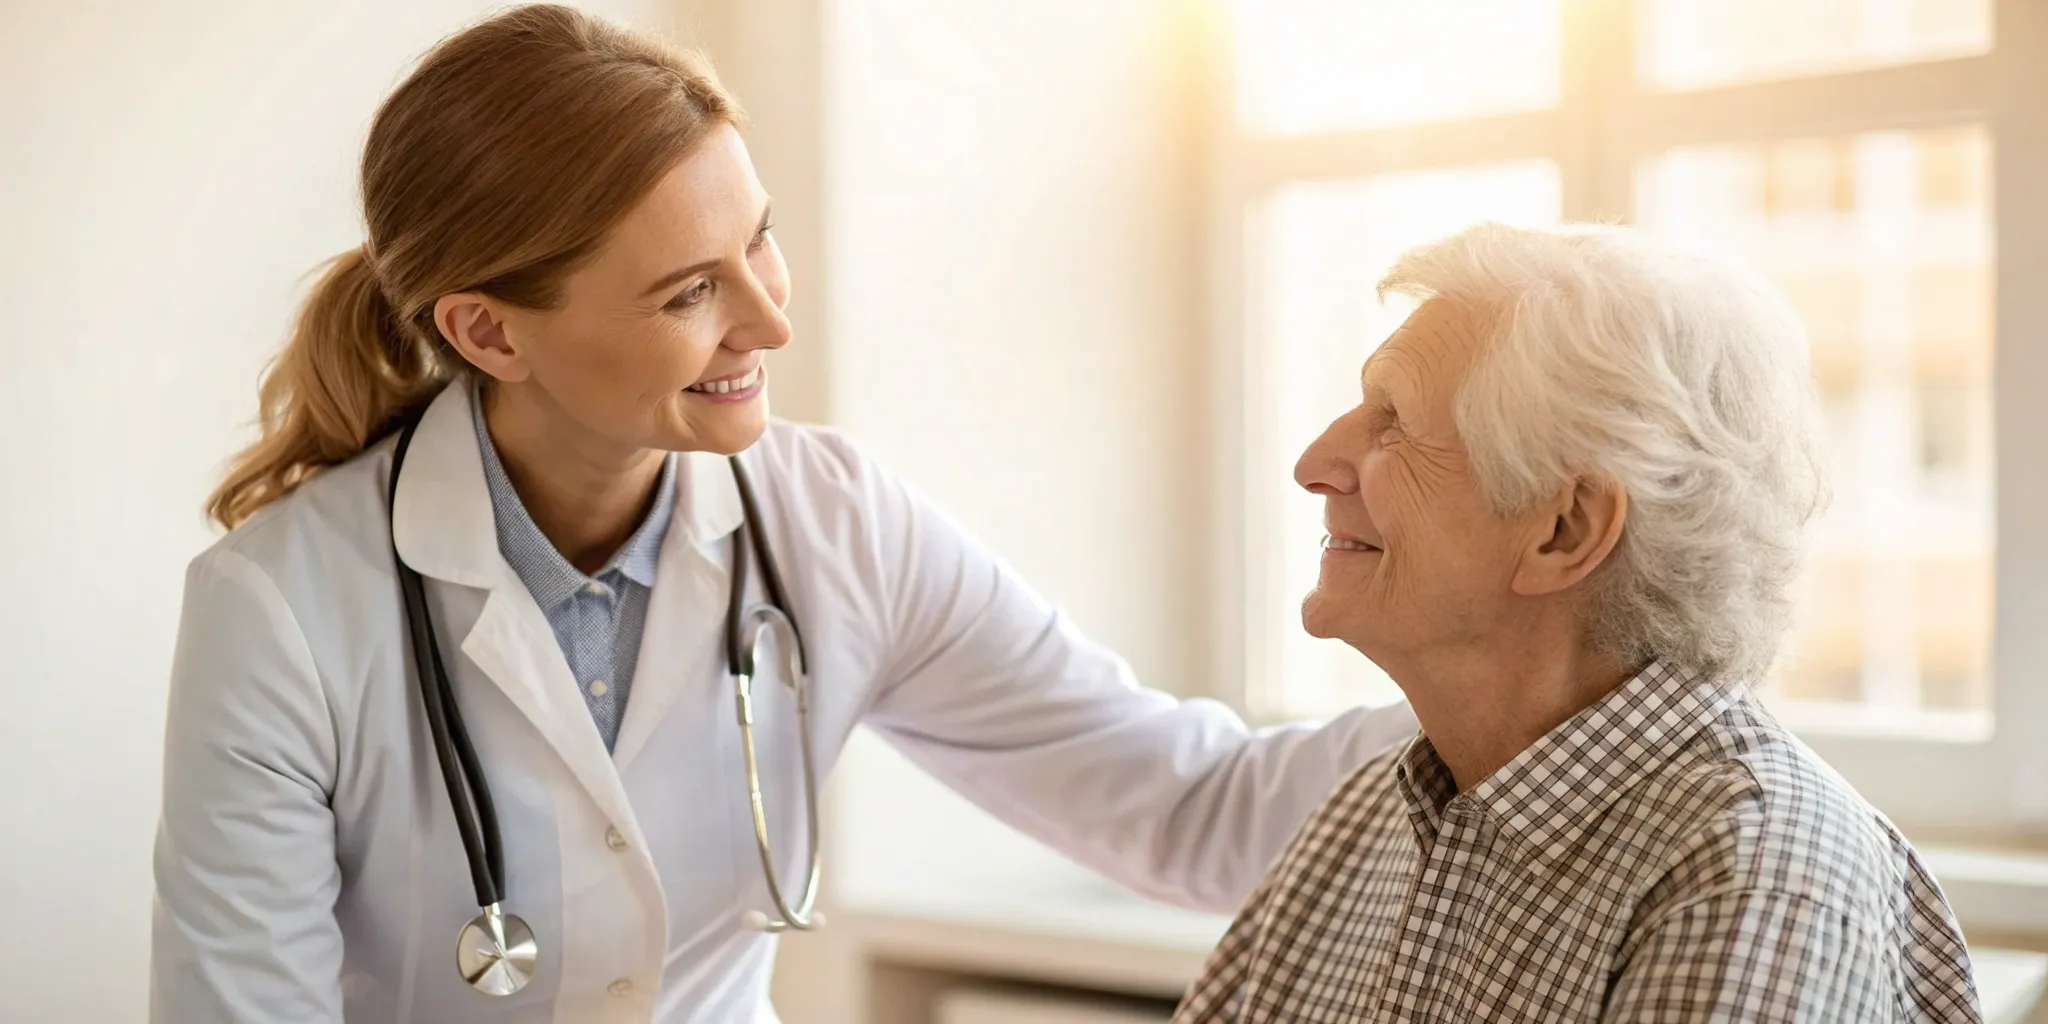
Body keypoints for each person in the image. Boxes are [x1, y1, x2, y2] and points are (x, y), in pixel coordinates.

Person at [144, 6, 1420, 1022]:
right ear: (488, 330)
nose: (768, 320)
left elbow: (1183, 803)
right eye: (690, 290)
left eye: (761, 241)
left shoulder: (835, 523)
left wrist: (1528, 695)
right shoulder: (284, 610)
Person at [1172, 223, 1982, 1023]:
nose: (1314, 464)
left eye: (1394, 421)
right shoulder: (1358, 822)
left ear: (1564, 530)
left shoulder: (1753, 879)